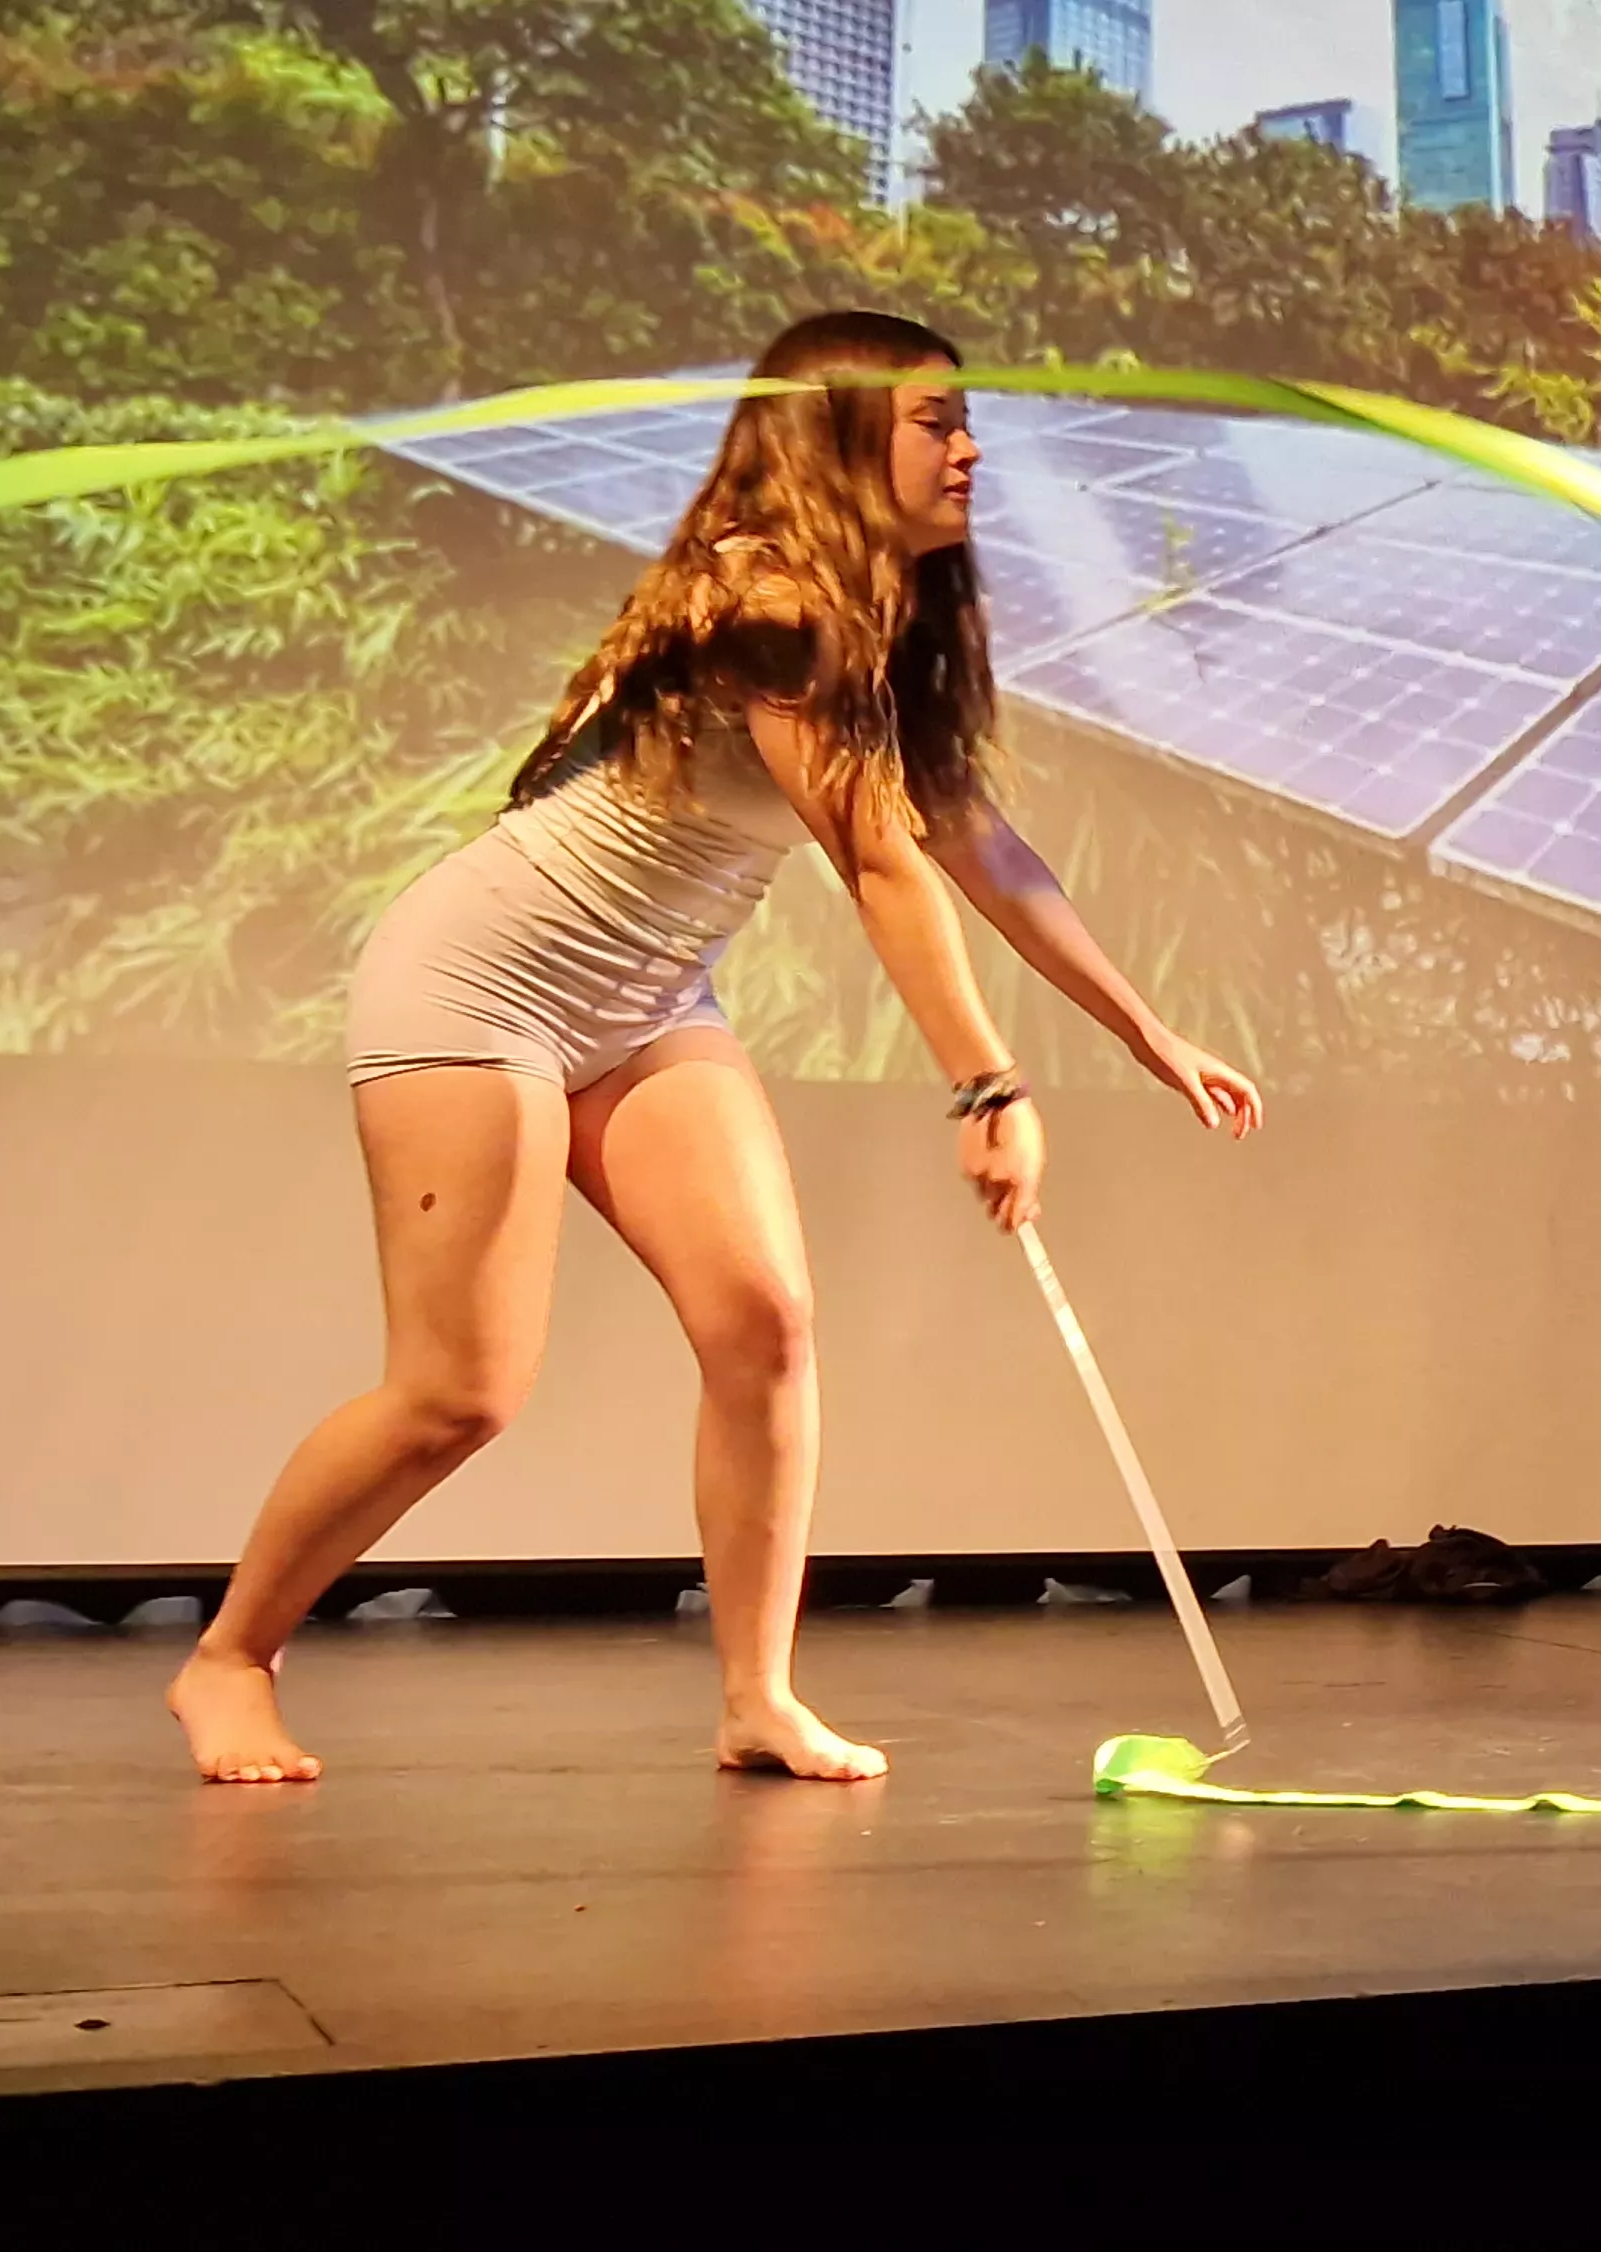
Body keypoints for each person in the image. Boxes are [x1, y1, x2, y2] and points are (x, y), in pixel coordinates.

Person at [169, 311, 1262, 1785]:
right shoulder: (766, 594)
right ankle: (230, 1658)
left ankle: (758, 1697)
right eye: (937, 421)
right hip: (478, 989)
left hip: (647, 1002)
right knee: (460, 1394)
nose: (971, 448)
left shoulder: (882, 622)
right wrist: (987, 1083)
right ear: (838, 431)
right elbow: (879, 861)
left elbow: (980, 848)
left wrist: (1148, 1033)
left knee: (765, 1325)